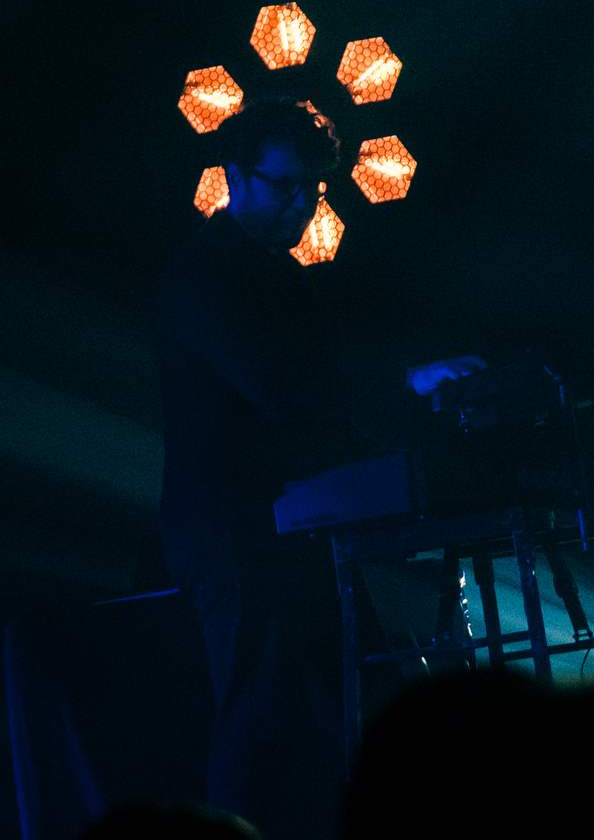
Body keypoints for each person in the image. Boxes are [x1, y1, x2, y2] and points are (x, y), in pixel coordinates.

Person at [158, 97, 481, 836]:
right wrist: (409, 385)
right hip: (236, 533)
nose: (303, 204)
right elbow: (285, 392)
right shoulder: (205, 275)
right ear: (235, 177)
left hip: (286, 530)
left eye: (313, 187)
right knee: (261, 723)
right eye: (285, 186)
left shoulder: (273, 275)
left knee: (342, 709)